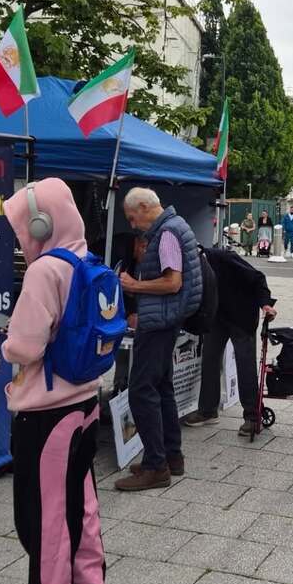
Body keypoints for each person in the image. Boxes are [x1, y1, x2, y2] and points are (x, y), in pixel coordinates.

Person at [1, 177, 106, 584]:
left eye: (23, 225)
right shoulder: (86, 259)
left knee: (45, 515)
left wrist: (6, 342)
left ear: (41, 224)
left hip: (46, 415)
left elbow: (25, 347)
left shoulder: (45, 271)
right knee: (82, 507)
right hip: (85, 404)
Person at [116, 188, 202, 491]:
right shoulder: (175, 226)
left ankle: (156, 466)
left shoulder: (166, 233)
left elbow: (172, 282)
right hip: (169, 318)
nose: (133, 225)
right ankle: (171, 456)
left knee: (141, 390)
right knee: (162, 387)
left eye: (132, 218)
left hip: (160, 320)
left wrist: (133, 285)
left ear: (143, 206)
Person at [184, 247, 277, 437]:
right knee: (210, 359)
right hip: (218, 316)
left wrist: (265, 304)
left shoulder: (223, 257)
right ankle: (208, 410)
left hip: (242, 316)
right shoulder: (190, 268)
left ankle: (252, 416)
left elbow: (258, 278)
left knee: (245, 365)